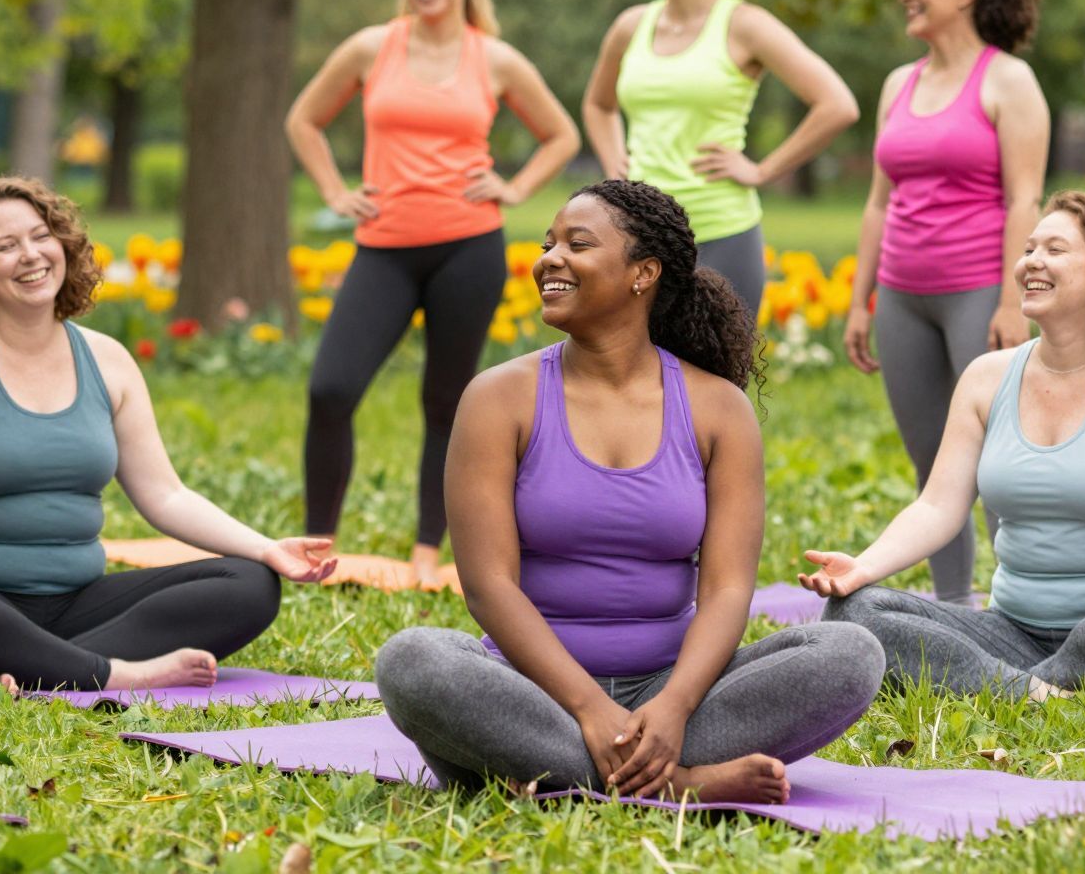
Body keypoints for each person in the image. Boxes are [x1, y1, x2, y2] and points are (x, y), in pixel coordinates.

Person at [376, 182, 881, 801]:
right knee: (414, 661)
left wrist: (673, 708)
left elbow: (725, 589)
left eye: (577, 244)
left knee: (849, 652)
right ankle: (678, 784)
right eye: (548, 244)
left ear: (643, 273)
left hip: (676, 695)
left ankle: (550, 775)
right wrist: (588, 708)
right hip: (530, 692)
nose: (548, 259)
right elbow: (488, 585)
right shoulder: (497, 397)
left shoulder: (717, 408)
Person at [0, 178, 337, 692]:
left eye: (40, 237)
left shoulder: (107, 360)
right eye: (6, 246)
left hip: (80, 607)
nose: (30, 255)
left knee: (250, 584)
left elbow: (165, 495)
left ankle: (36, 670)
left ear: (63, 246)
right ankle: (117, 674)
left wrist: (266, 548)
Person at [804, 193, 1085, 702]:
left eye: (1055, 250)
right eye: (1028, 249)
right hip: (1015, 632)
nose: (1031, 262)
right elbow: (937, 506)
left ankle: (1004, 688)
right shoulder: (986, 377)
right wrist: (862, 568)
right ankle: (1051, 697)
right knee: (854, 612)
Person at [285, 0, 580, 586]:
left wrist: (512, 186)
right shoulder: (371, 48)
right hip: (384, 248)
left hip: (467, 249)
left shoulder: (494, 58)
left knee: (447, 402)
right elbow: (303, 119)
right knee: (330, 389)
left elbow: (559, 134)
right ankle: (316, 542)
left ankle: (426, 549)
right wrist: (334, 190)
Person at [841, 0, 1049, 603]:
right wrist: (859, 299)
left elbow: (1026, 197)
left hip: (980, 293)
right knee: (933, 463)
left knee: (999, 463)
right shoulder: (898, 83)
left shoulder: (1008, 81)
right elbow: (879, 202)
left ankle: (1023, 603)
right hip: (903, 297)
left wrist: (1014, 303)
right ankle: (955, 605)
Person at [579, 0, 858, 319]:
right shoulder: (630, 27)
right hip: (637, 236)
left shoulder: (745, 25)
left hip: (722, 234)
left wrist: (763, 170)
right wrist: (613, 160)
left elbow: (837, 104)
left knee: (717, 385)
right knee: (636, 383)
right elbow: (598, 104)